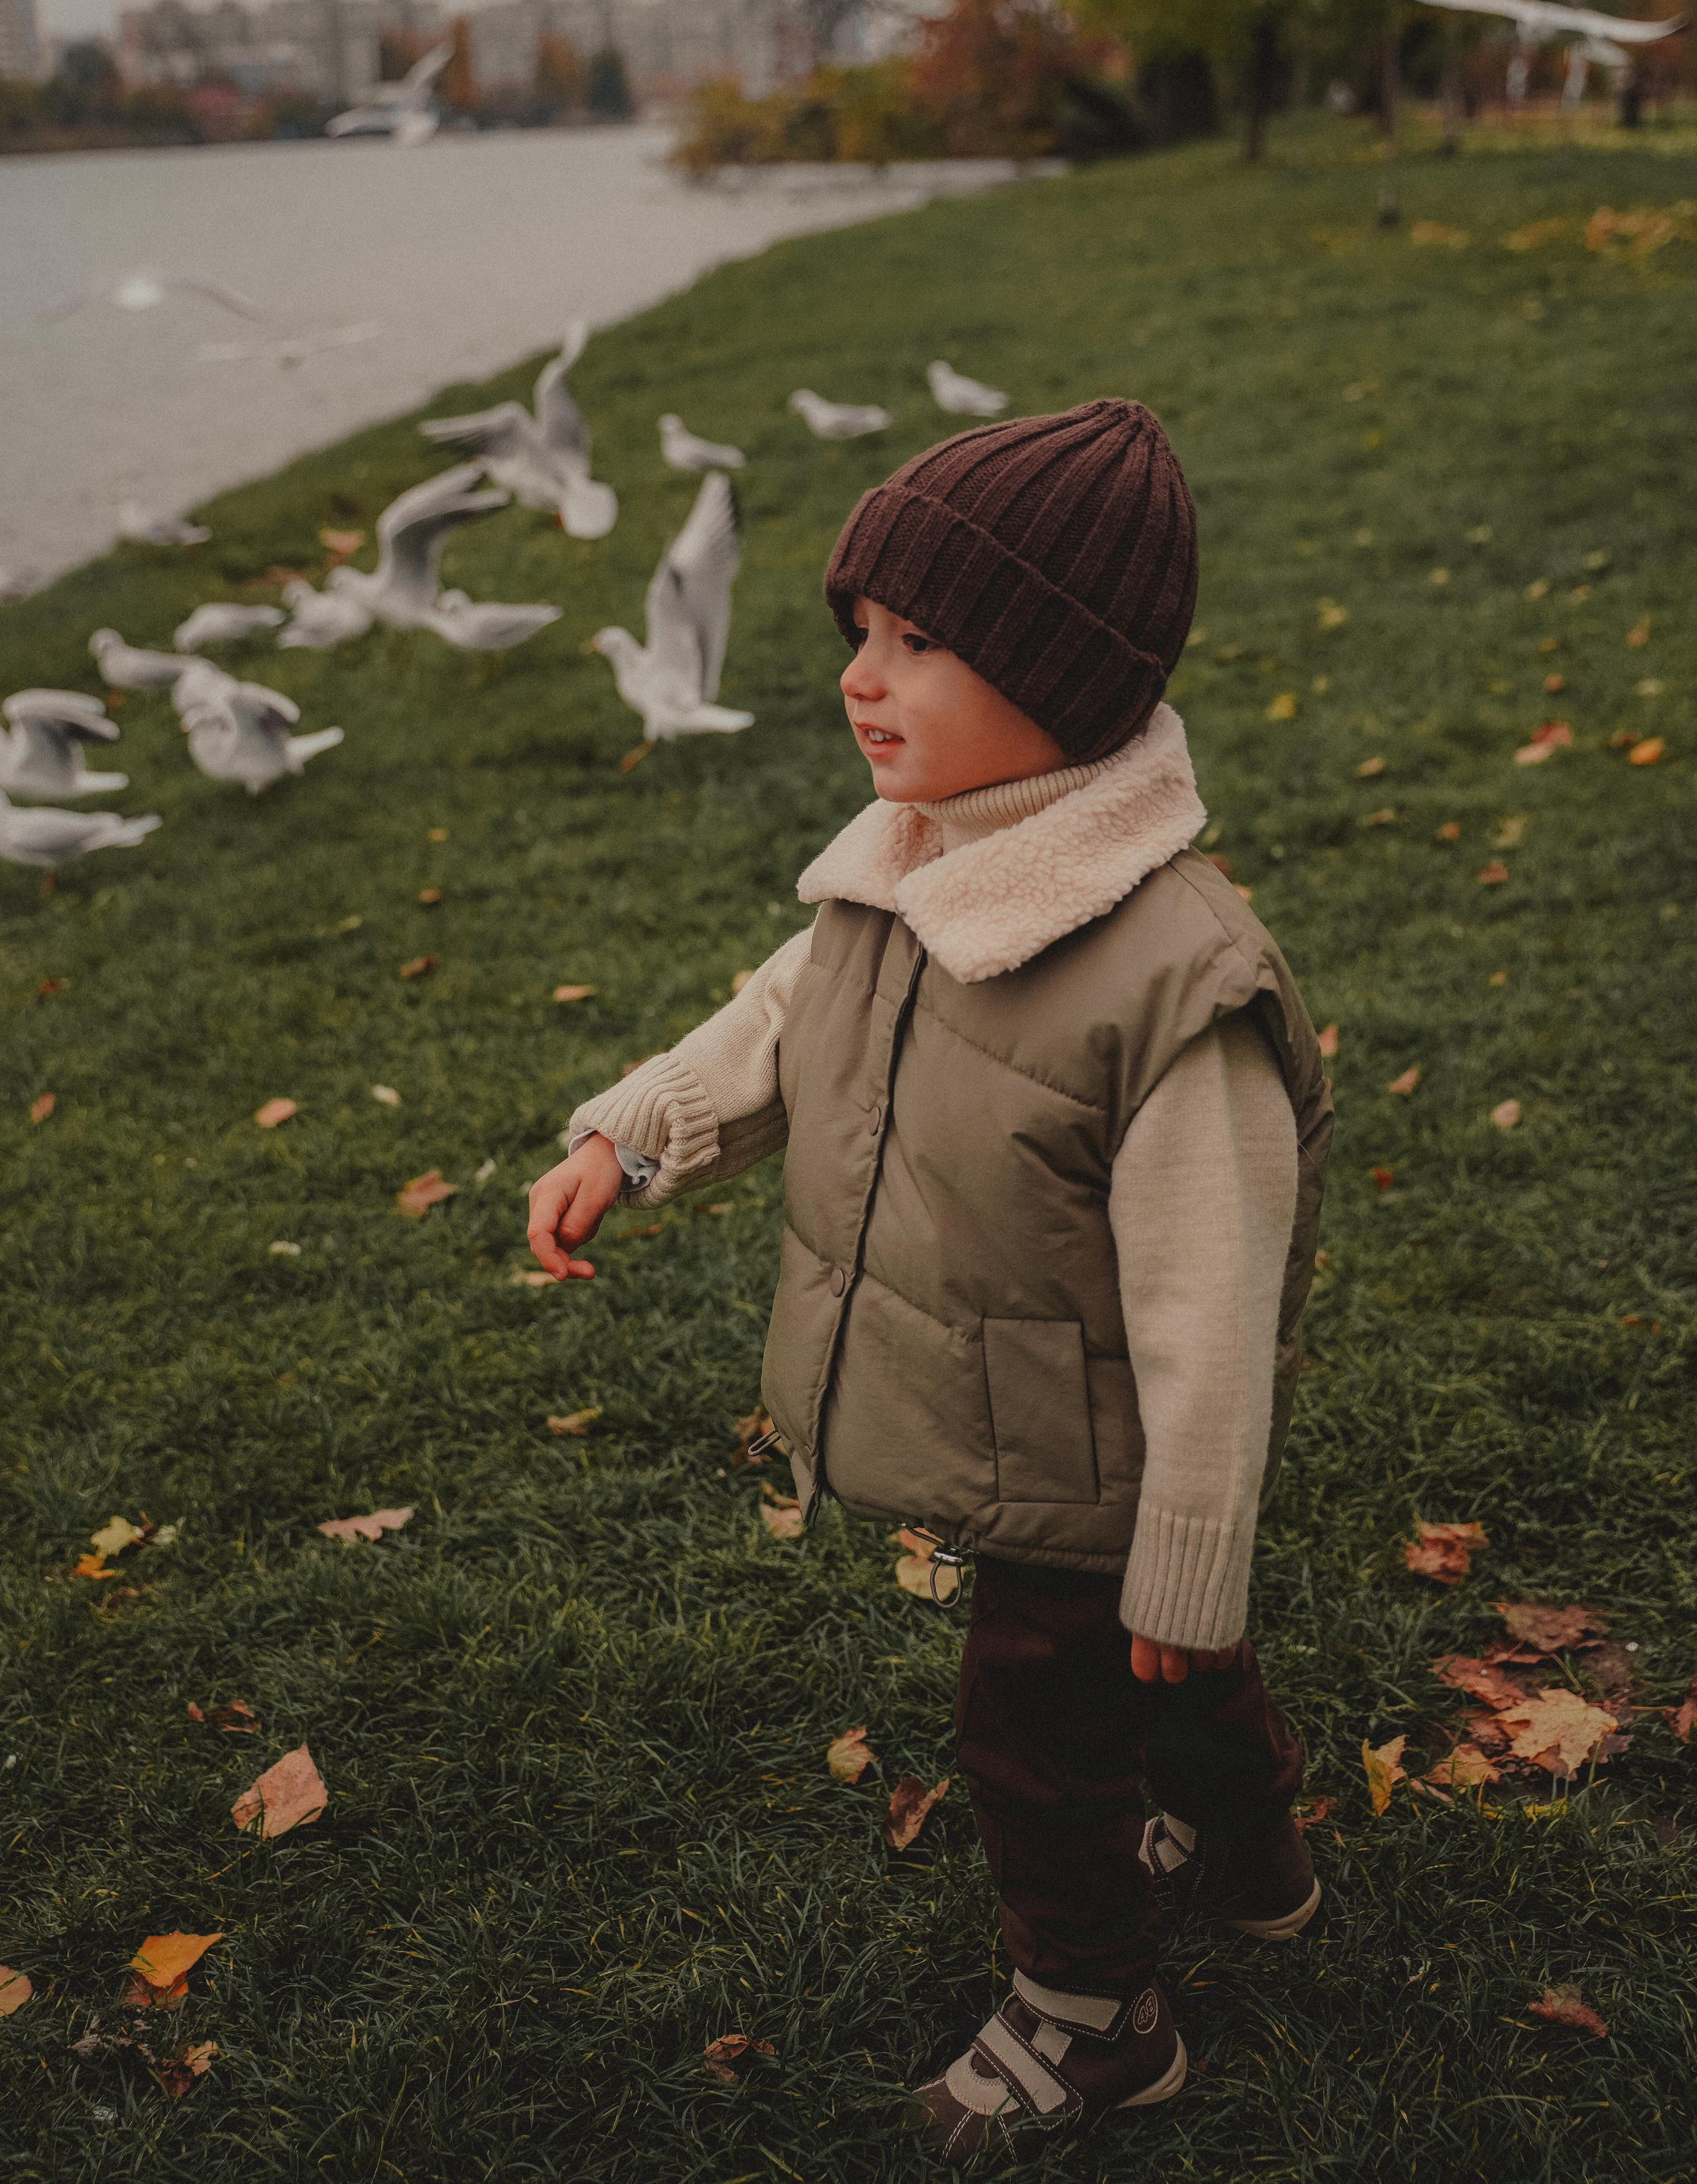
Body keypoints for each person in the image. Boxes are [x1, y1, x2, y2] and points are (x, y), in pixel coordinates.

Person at [526, 400, 1332, 2160]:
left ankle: (1093, 2010)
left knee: (1041, 1726)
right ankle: (1256, 1853)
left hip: (1094, 1449)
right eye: (861, 637)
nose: (859, 680)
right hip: (1016, 1407)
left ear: (1062, 676)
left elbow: (1213, 1314)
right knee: (1165, 1673)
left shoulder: (1174, 984)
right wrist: (636, 1139)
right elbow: (787, 1017)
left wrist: (1189, 1555)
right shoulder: (915, 860)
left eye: (920, 642)